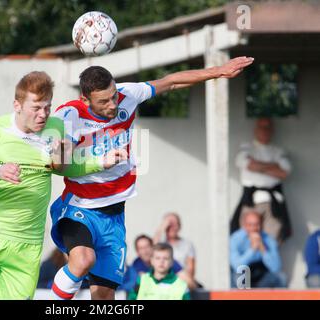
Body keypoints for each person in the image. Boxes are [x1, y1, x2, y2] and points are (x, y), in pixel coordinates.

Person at [49, 56, 254, 300]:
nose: (113, 105)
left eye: (113, 96)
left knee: (104, 296)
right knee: (83, 260)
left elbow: (172, 82)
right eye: (103, 101)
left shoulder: (128, 94)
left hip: (114, 215)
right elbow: (57, 166)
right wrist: (64, 151)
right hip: (79, 207)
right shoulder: (69, 116)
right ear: (85, 99)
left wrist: (218, 71)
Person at [0, 71, 123, 300]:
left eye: (47, 107)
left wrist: (99, 162)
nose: (43, 114)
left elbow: (63, 167)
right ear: (17, 105)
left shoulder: (55, 126)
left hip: (27, 246)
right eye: (36, 108)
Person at [230, 118, 292, 244]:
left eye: (268, 127)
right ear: (256, 129)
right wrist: (273, 166)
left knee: (272, 241)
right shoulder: (247, 148)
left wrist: (258, 167)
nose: (265, 130)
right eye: (261, 127)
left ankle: (267, 263)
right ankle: (247, 264)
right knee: (246, 241)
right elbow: (247, 164)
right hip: (251, 202)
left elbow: (284, 172)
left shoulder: (277, 151)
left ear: (272, 130)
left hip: (272, 204)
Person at [230, 209, 286, 288]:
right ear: (244, 225)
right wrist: (252, 249)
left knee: (281, 277)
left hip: (262, 276)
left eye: (257, 224)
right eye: (250, 225)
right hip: (245, 274)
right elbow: (237, 266)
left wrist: (263, 248)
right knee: (240, 276)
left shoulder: (269, 239)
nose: (254, 228)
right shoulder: (235, 239)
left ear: (262, 225)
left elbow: (276, 267)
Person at [153, 213, 196, 279]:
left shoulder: (187, 245)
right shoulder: (161, 243)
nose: (171, 227)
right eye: (169, 225)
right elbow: (152, 247)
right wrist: (162, 227)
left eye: (174, 224)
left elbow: (190, 270)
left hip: (181, 280)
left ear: (179, 226)